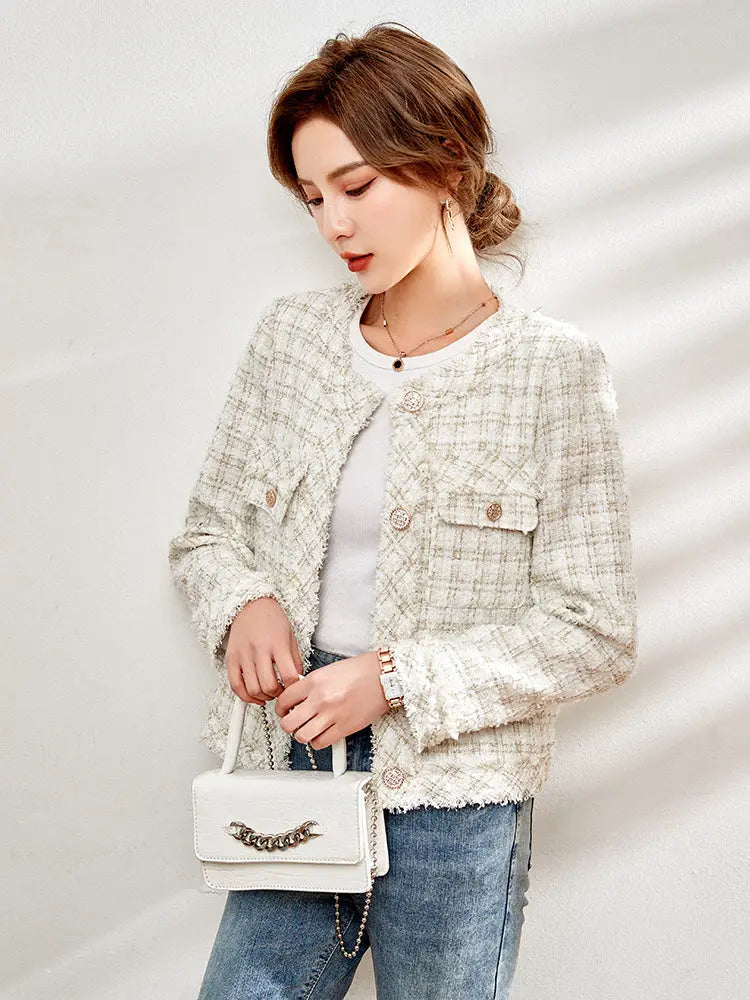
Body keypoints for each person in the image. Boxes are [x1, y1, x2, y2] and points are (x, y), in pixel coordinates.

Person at [167, 20, 638, 1000]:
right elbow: (207, 531)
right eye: (312, 199)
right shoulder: (292, 341)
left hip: (458, 803)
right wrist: (245, 601)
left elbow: (594, 632)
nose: (334, 225)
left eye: (356, 186)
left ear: (445, 164)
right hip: (292, 771)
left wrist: (393, 679)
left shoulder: (552, 371)